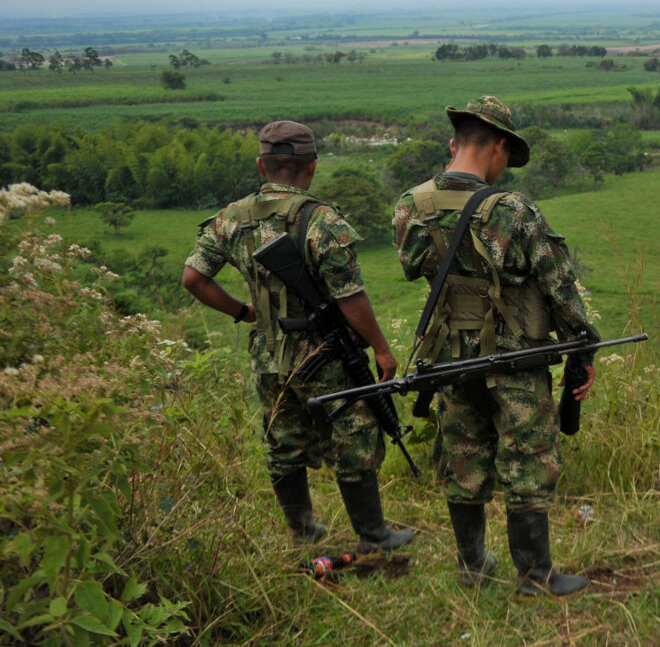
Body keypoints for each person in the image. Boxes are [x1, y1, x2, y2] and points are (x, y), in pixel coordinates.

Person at [393, 96, 600, 596]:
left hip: (448, 361)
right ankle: (534, 575)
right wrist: (583, 350)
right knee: (528, 460)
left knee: (463, 458)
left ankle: (472, 567)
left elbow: (416, 269)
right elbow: (562, 291)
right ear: (500, 147)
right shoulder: (515, 212)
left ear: (453, 144)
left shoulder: (409, 207)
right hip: (515, 360)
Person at [182, 120, 413, 553]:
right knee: (355, 432)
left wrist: (245, 312)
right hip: (324, 352)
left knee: (282, 440)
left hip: (268, 351)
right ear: (312, 167)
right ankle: (374, 534)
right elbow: (351, 298)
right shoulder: (322, 220)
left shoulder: (230, 218)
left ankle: (303, 534)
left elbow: (193, 278)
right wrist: (381, 349)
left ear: (261, 165)